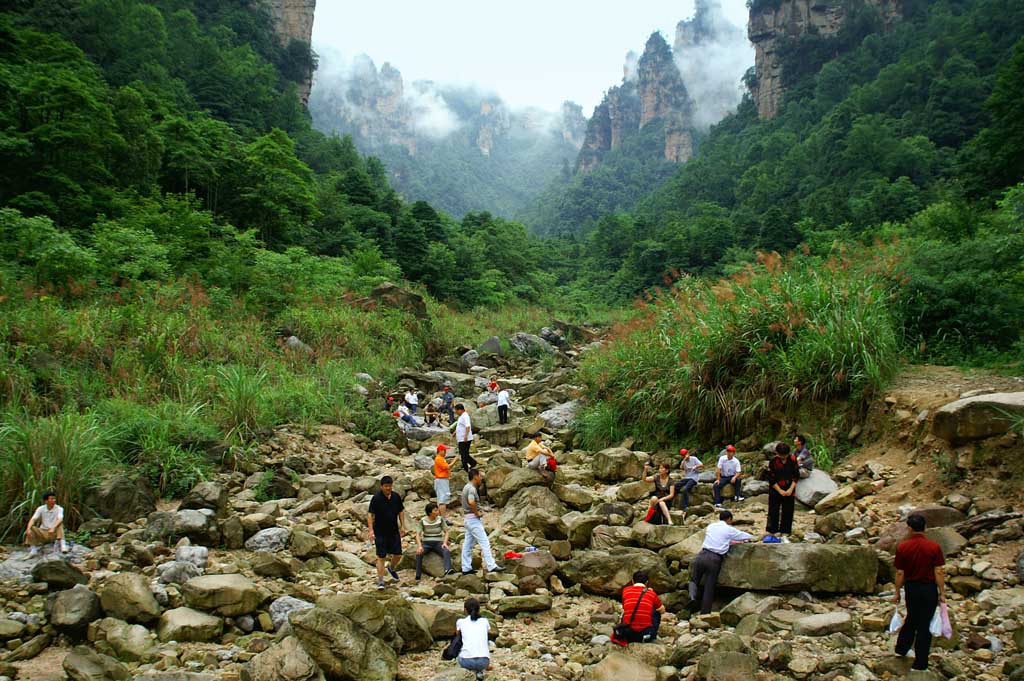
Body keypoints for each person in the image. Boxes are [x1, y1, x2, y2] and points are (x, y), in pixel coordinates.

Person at [893, 513, 947, 671]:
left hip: (911, 588)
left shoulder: (903, 547)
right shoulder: (934, 547)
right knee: (924, 624)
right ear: (925, 527)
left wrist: (897, 592)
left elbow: (900, 573)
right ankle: (920, 663)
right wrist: (942, 593)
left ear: (909, 528)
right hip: (929, 589)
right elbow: (938, 571)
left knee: (911, 618)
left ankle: (901, 648)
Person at [689, 510, 752, 614]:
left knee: (694, 580)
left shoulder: (711, 526)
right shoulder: (729, 529)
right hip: (714, 559)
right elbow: (744, 536)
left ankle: (692, 597)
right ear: (729, 519)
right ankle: (705, 613)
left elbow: (717, 538)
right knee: (709, 587)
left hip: (701, 555)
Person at [367, 476, 406, 590]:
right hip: (380, 531)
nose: (388, 488)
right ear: (381, 487)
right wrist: (370, 530)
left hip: (393, 530)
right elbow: (370, 514)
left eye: (390, 486)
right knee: (381, 556)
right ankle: (380, 581)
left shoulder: (395, 497)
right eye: (386, 486)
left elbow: (401, 511)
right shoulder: (376, 498)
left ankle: (391, 568)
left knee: (398, 554)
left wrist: (403, 525)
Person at [460, 469, 501, 574]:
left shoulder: (466, 487)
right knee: (484, 542)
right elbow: (471, 501)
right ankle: (491, 565)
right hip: (473, 520)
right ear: (475, 476)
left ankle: (466, 567)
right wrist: (477, 513)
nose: (481, 478)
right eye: (480, 476)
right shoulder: (471, 489)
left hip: (467, 519)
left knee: (467, 544)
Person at [611, 569, 667, 645]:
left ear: (632, 581)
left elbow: (625, 607)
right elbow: (662, 610)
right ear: (647, 582)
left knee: (628, 611)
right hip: (645, 635)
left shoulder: (625, 591)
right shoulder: (651, 593)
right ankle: (652, 636)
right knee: (656, 611)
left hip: (628, 634)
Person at [766, 442, 799, 537]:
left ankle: (786, 530)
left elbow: (796, 476)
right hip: (776, 488)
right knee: (773, 509)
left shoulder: (792, 460)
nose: (783, 458)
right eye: (781, 455)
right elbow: (771, 478)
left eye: (785, 455)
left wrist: (790, 490)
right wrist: (780, 491)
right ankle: (772, 530)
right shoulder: (773, 461)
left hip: (789, 487)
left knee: (788, 509)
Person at [456, 597, 491, 680]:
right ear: (479, 610)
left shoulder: (460, 622)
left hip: (466, 661)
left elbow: (457, 636)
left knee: (460, 650)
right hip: (484, 661)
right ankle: (479, 672)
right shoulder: (485, 621)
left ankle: (470, 673)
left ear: (465, 610)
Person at [415, 502, 453, 580]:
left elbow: (447, 531)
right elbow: (418, 535)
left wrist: (445, 543)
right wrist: (419, 546)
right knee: (419, 553)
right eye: (435, 510)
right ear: (429, 512)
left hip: (438, 543)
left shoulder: (440, 519)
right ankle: (418, 574)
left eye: (437, 510)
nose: (437, 512)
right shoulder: (423, 521)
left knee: (446, 551)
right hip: (426, 543)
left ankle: (448, 569)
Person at [454, 404, 477, 470]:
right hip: (461, 438)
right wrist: (455, 432)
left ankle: (466, 468)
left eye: (456, 411)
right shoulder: (461, 416)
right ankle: (473, 463)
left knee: (463, 454)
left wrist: (466, 436)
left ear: (460, 410)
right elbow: (460, 426)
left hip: (464, 438)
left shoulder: (465, 416)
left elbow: (467, 426)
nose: (456, 412)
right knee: (464, 454)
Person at [434, 444, 454, 516]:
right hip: (441, 480)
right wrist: (455, 460)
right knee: (442, 500)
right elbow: (447, 467)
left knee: (442, 499)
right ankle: (443, 518)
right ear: (440, 451)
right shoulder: (439, 459)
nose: (445, 452)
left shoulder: (441, 458)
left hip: (443, 480)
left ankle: (441, 517)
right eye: (444, 450)